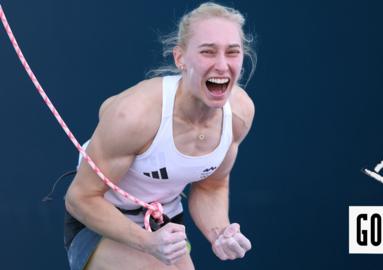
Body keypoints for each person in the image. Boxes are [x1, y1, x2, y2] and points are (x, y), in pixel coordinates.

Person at [64, 2, 256, 269]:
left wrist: (219, 232)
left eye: (232, 52)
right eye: (208, 52)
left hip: (163, 221)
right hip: (99, 220)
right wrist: (147, 242)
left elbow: (212, 186)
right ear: (180, 59)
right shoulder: (135, 115)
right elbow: (80, 199)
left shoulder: (240, 113)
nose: (222, 65)